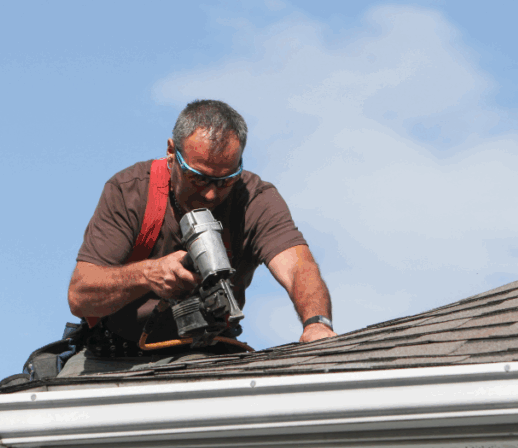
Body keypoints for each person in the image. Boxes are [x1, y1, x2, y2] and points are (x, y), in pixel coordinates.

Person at [61, 100, 335, 376]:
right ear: (171, 153)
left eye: (226, 180)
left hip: (205, 353)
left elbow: (298, 267)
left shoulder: (255, 200)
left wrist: (317, 323)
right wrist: (147, 275)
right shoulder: (130, 192)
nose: (211, 195)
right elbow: (80, 296)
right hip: (113, 356)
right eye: (199, 179)